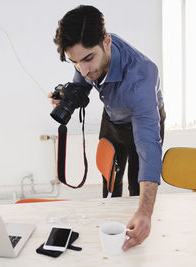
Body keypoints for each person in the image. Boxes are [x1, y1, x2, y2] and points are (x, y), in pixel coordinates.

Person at [49, 5, 166, 251]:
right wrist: (69, 97)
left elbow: (148, 146)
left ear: (107, 41)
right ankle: (110, 232)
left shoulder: (141, 75)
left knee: (137, 189)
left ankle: (138, 236)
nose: (83, 70)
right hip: (112, 113)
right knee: (110, 182)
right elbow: (81, 81)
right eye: (75, 62)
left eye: (88, 59)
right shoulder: (87, 53)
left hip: (139, 119)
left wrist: (145, 211)